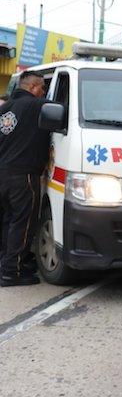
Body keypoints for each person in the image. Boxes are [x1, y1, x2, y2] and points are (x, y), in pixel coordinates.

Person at [0, 71, 50, 286]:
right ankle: (13, 272)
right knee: (23, 222)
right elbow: (64, 111)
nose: (44, 93)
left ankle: (8, 263)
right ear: (33, 88)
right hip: (23, 176)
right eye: (42, 89)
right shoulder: (35, 106)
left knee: (9, 221)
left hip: (4, 173)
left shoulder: (5, 109)